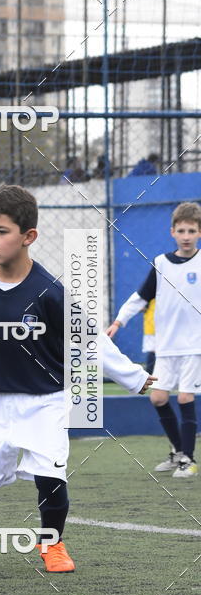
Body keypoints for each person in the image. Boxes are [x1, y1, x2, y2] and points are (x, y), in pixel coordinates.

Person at [0, 184, 155, 573]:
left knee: (50, 477)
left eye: (1, 231)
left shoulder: (51, 292)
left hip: (45, 401)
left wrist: (135, 378)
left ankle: (52, 545)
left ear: (28, 237)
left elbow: (91, 344)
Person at [107, 201, 201, 477]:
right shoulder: (161, 263)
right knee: (158, 398)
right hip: (166, 347)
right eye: (181, 230)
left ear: (199, 233)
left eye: (192, 230)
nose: (186, 235)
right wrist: (118, 321)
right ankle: (177, 452)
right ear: (172, 231)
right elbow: (140, 297)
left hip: (194, 346)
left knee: (185, 397)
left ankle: (188, 460)